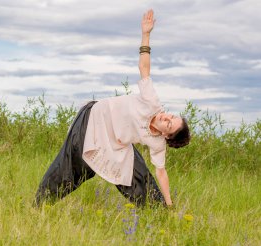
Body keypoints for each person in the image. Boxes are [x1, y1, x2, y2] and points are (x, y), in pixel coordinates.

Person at [35, 9, 191, 208]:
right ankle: (38, 206)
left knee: (139, 175)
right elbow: (144, 68)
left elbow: (161, 172)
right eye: (171, 116)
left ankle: (160, 213)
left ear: (166, 136)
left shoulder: (157, 143)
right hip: (92, 122)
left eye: (169, 125)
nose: (166, 118)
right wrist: (146, 34)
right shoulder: (152, 101)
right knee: (68, 170)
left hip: (114, 144)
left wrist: (169, 203)